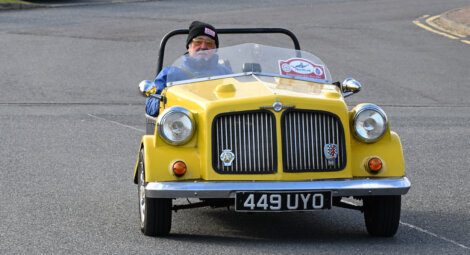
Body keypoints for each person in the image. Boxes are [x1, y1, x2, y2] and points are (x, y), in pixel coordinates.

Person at [144, 21, 231, 116]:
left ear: (215, 49)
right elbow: (150, 106)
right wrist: (168, 101)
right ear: (189, 47)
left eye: (209, 43)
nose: (203, 47)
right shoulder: (171, 73)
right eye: (198, 42)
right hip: (183, 125)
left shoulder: (225, 73)